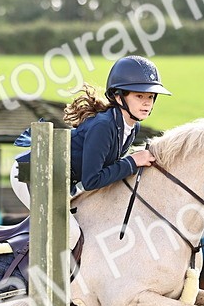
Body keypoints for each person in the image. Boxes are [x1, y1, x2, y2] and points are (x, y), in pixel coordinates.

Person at [11, 54, 171, 250]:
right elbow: (91, 180)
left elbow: (109, 170)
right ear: (119, 96)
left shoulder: (131, 127)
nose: (147, 103)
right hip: (32, 174)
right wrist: (132, 162)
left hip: (59, 181)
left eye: (150, 97)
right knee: (70, 233)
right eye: (139, 96)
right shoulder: (103, 126)